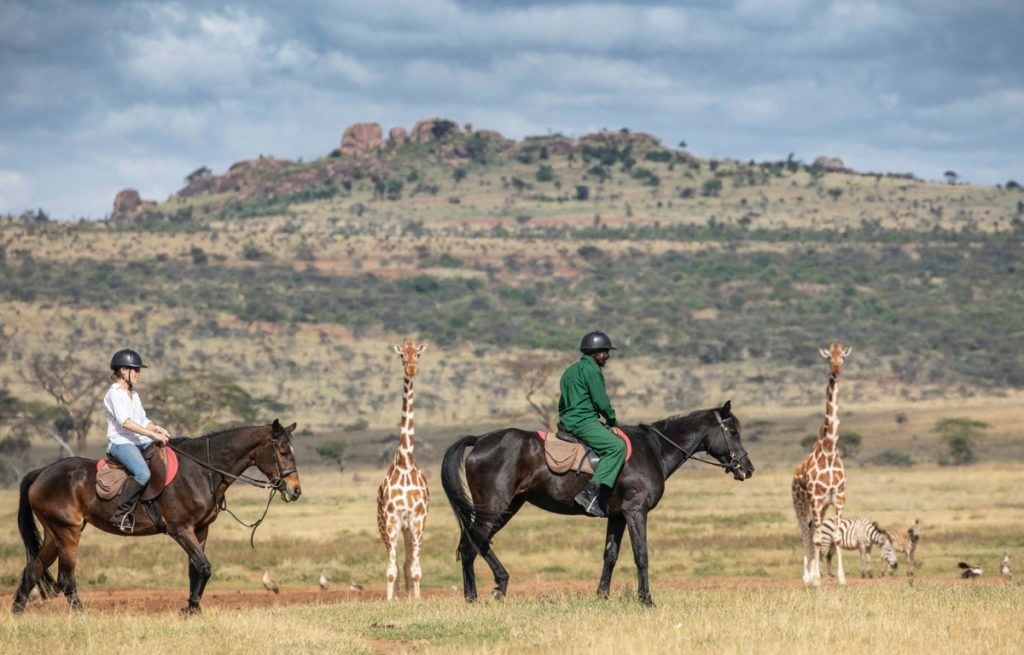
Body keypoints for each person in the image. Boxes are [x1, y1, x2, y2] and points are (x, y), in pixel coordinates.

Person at [558, 330, 626, 517]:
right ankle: (590, 492)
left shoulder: (570, 370)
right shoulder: (592, 370)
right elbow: (601, 402)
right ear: (595, 352)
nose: (607, 356)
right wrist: (612, 420)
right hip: (584, 422)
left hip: (568, 421)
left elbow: (562, 402)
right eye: (605, 352)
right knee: (617, 447)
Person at [103, 348, 170, 532]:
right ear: (123, 371)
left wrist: (157, 429)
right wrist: (151, 435)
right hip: (121, 442)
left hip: (139, 441)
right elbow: (125, 422)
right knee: (142, 473)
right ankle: (121, 514)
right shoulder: (114, 394)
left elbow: (143, 421)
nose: (139, 374)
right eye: (136, 370)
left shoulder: (134, 394)